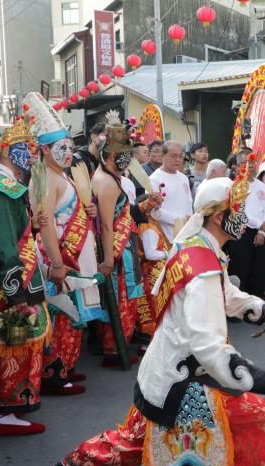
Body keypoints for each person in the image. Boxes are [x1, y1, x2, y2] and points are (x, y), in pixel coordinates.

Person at [52, 177, 265, 466]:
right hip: (185, 381)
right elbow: (208, 344)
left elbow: (225, 291)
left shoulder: (196, 246)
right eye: (240, 211)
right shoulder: (202, 267)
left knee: (129, 442)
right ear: (220, 216)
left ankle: (69, 465)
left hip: (165, 367)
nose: (246, 218)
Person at [25, 92, 101, 396]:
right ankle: (54, 373)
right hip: (59, 258)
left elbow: (71, 212)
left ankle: (67, 367)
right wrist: (57, 263)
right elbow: (45, 227)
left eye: (70, 147)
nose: (68, 153)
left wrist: (89, 211)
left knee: (73, 315)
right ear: (45, 149)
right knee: (62, 314)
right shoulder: (43, 178)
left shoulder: (63, 175)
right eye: (61, 147)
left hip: (74, 256)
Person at [0, 116, 48, 436]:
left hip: (18, 277)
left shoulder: (12, 187)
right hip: (10, 283)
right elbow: (3, 244)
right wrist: (16, 294)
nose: (29, 153)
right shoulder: (1, 190)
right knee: (14, 344)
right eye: (21, 147)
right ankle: (7, 411)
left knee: (21, 343)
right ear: (2, 151)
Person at [92, 111, 159, 368]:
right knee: (119, 301)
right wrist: (109, 259)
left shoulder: (114, 177)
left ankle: (117, 346)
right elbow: (107, 227)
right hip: (117, 252)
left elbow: (126, 213)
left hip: (125, 245)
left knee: (127, 300)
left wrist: (145, 207)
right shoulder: (107, 182)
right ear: (110, 156)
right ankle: (113, 349)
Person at [225, 150, 265, 298]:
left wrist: (263, 231)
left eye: (252, 164)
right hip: (241, 232)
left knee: (259, 269)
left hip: (261, 233)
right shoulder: (235, 185)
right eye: (245, 164)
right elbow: (240, 212)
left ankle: (257, 304)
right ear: (237, 166)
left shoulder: (261, 185)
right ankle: (238, 304)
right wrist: (261, 225)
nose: (249, 167)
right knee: (240, 269)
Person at [134, 194, 170, 350]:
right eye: (156, 208)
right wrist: (168, 253)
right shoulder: (147, 228)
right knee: (153, 305)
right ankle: (147, 341)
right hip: (151, 271)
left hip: (155, 269)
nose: (159, 211)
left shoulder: (153, 225)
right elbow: (150, 254)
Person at [149, 141, 193, 242]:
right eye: (173, 156)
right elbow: (153, 211)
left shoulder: (184, 178)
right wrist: (179, 220)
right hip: (166, 236)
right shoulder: (154, 179)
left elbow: (189, 203)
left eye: (180, 156)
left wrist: (190, 222)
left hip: (186, 234)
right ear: (163, 156)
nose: (177, 160)